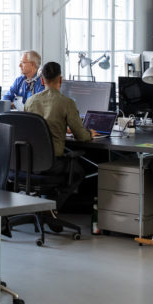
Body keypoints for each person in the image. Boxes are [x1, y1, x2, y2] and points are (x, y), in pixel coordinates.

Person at [24, 61, 95, 210]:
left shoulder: (30, 101)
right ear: (60, 80)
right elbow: (82, 136)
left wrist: (63, 128)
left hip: (28, 162)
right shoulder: (66, 102)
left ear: (42, 80)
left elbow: (36, 127)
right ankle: (51, 208)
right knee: (79, 171)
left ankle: (44, 206)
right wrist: (90, 133)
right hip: (52, 164)